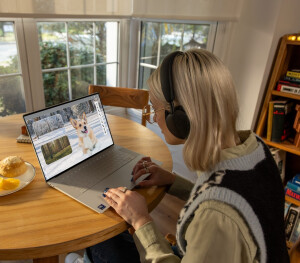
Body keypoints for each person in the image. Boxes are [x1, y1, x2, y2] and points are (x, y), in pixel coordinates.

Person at [66, 49, 289, 263]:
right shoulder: (255, 149)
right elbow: (229, 196)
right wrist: (173, 181)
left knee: (100, 237)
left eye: (155, 108)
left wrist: (141, 220)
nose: (153, 118)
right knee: (106, 234)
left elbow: (218, 209)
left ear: (180, 116)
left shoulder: (216, 214)